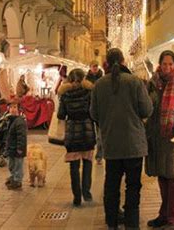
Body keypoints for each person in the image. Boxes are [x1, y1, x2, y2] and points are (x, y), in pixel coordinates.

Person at [91, 48, 153, 230]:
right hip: (134, 144)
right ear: (124, 61)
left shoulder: (99, 85)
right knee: (133, 186)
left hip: (111, 143)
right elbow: (147, 110)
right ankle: (132, 223)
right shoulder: (134, 82)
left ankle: (111, 222)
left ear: (107, 63)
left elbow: (93, 113)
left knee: (112, 185)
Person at [146, 50, 174, 229]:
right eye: (164, 64)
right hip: (156, 138)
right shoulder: (152, 84)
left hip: (173, 139)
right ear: (159, 64)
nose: (167, 67)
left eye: (170, 64)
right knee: (163, 178)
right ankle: (164, 214)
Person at [57, 68, 96, 206]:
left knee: (74, 167)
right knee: (87, 163)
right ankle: (87, 192)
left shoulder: (65, 94)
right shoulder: (89, 92)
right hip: (87, 131)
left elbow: (60, 115)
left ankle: (77, 196)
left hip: (72, 133)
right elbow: (94, 112)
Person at [4, 99, 27, 190]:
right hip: (12, 149)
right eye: (11, 107)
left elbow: (21, 136)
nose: (13, 109)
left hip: (18, 150)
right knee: (12, 165)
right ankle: (13, 177)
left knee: (18, 165)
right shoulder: (10, 120)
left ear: (19, 109)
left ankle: (17, 181)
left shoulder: (20, 121)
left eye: (15, 107)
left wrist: (20, 148)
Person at [86, 60, 105, 165]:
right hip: (89, 109)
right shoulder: (86, 79)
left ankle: (99, 156)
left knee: (99, 136)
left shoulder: (102, 78)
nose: (95, 68)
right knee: (91, 135)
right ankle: (90, 154)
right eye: (93, 66)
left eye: (96, 66)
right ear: (90, 67)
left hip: (99, 110)